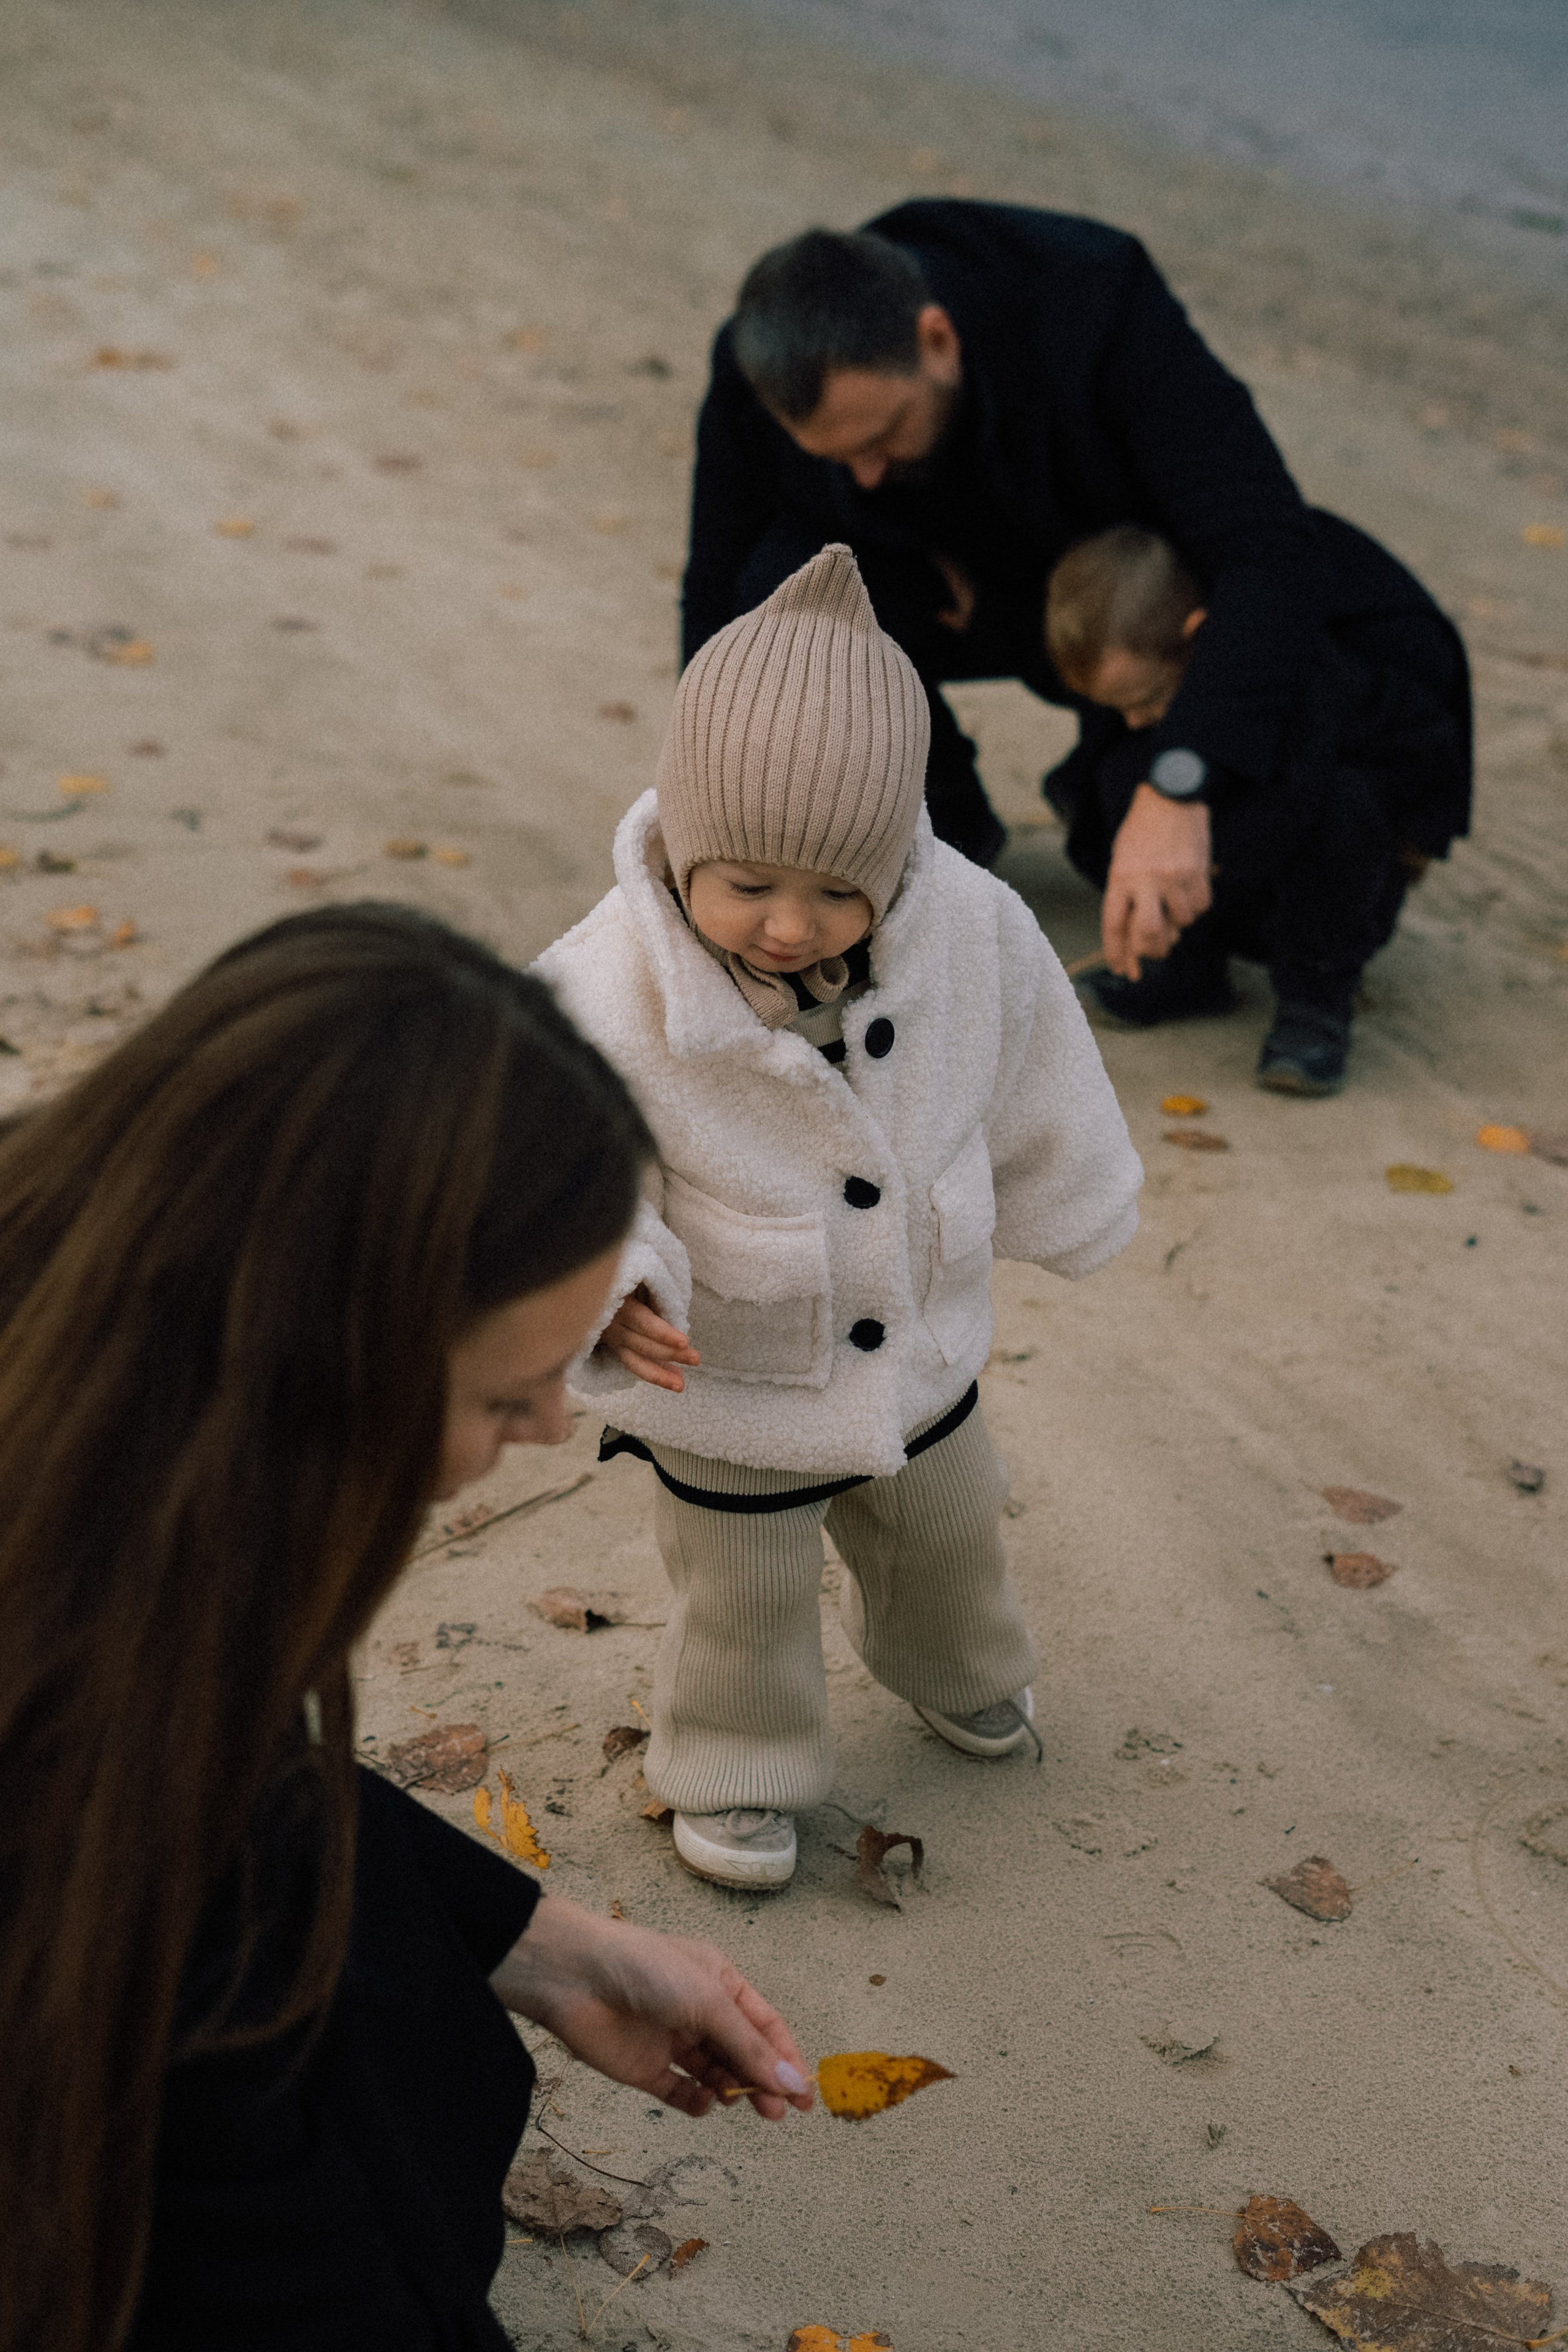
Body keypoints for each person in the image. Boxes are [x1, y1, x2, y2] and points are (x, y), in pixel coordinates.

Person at [0, 903, 813, 2352]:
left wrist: (540, 1937)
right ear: (312, 1369)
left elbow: (235, 1769)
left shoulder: (72, 1342)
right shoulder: (95, 1787)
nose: (555, 1423)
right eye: (505, 1401)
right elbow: (272, 2276)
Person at [536, 545, 1142, 1894]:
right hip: (729, 1366)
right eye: (746, 884)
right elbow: (543, 1150)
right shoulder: (603, 982)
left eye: (836, 888)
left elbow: (1035, 1058)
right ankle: (738, 1772)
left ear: (894, 861)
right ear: (690, 840)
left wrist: (1071, 1197)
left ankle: (956, 1670)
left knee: (947, 1527)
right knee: (738, 1598)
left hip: (917, 1336)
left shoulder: (970, 929)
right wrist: (606, 1284)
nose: (789, 924)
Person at [680, 204, 1472, 1016]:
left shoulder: (1095, 301)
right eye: (838, 459)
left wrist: (1180, 784)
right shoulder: (756, 370)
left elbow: (1266, 550)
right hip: (952, 596)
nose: (869, 477)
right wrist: (711, 804)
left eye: (884, 436)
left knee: (1276, 798)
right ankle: (937, 818)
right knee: (772, 598)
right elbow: (713, 587)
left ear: (938, 341)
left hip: (1129, 613)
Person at [1041, 523, 1469, 1090]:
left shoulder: (1308, 677)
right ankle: (1188, 967)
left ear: (1200, 636)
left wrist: (1215, 858)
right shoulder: (1156, 689)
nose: (1136, 719)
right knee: (1130, 769)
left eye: (1146, 699)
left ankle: (1315, 1002)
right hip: (1245, 852)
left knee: (1345, 809)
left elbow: (1306, 795)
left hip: (1337, 855)